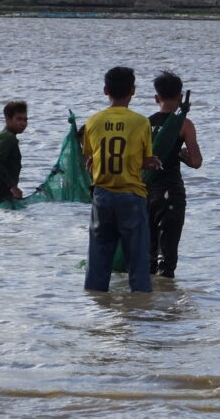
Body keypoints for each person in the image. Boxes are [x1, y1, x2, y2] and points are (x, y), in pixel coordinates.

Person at [82, 67, 161, 293]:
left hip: (102, 195)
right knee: (137, 262)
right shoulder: (141, 122)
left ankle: (95, 306)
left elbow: (90, 155)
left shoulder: (93, 121)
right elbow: (144, 159)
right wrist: (151, 162)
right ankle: (140, 307)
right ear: (133, 91)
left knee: (98, 260)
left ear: (106, 90)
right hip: (131, 195)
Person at [148, 71, 203, 278]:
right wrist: (182, 156)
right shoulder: (184, 124)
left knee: (148, 254)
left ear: (156, 98)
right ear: (180, 98)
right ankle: (166, 295)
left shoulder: (144, 123)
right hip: (171, 191)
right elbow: (196, 162)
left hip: (145, 191)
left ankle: (146, 295)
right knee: (167, 257)